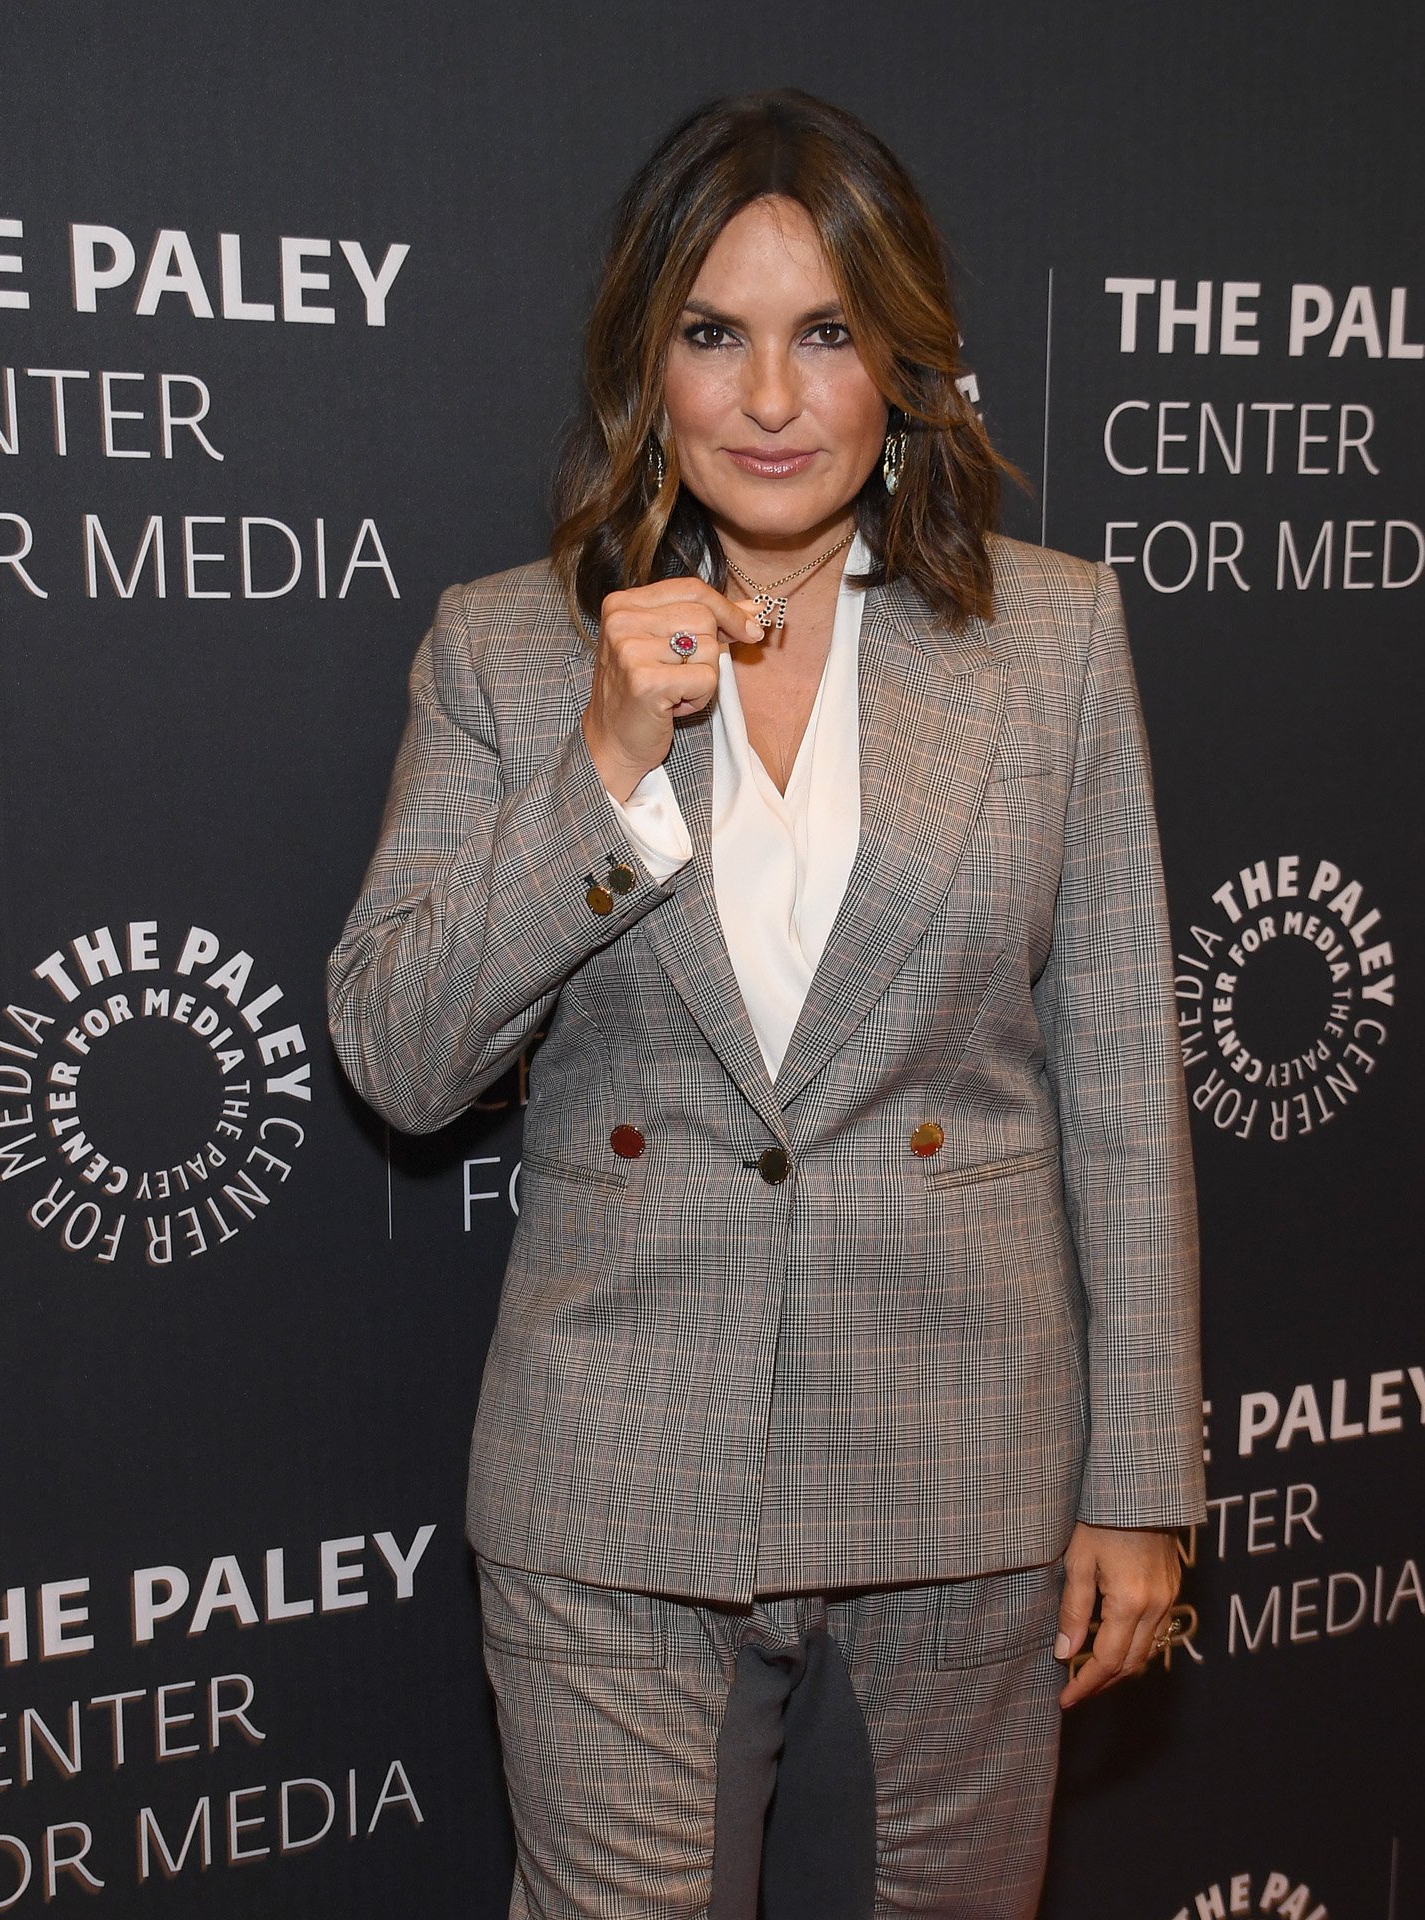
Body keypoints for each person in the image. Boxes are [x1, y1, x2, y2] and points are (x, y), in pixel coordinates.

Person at [329, 88, 1203, 1920]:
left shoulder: (1050, 639)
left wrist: (1141, 1474)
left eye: (827, 336)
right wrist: (603, 759)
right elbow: (402, 1060)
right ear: (648, 364)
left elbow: (1122, 1083)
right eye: (714, 336)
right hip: (615, 1467)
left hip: (963, 1464)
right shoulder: (505, 648)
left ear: (905, 364)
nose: (774, 398)